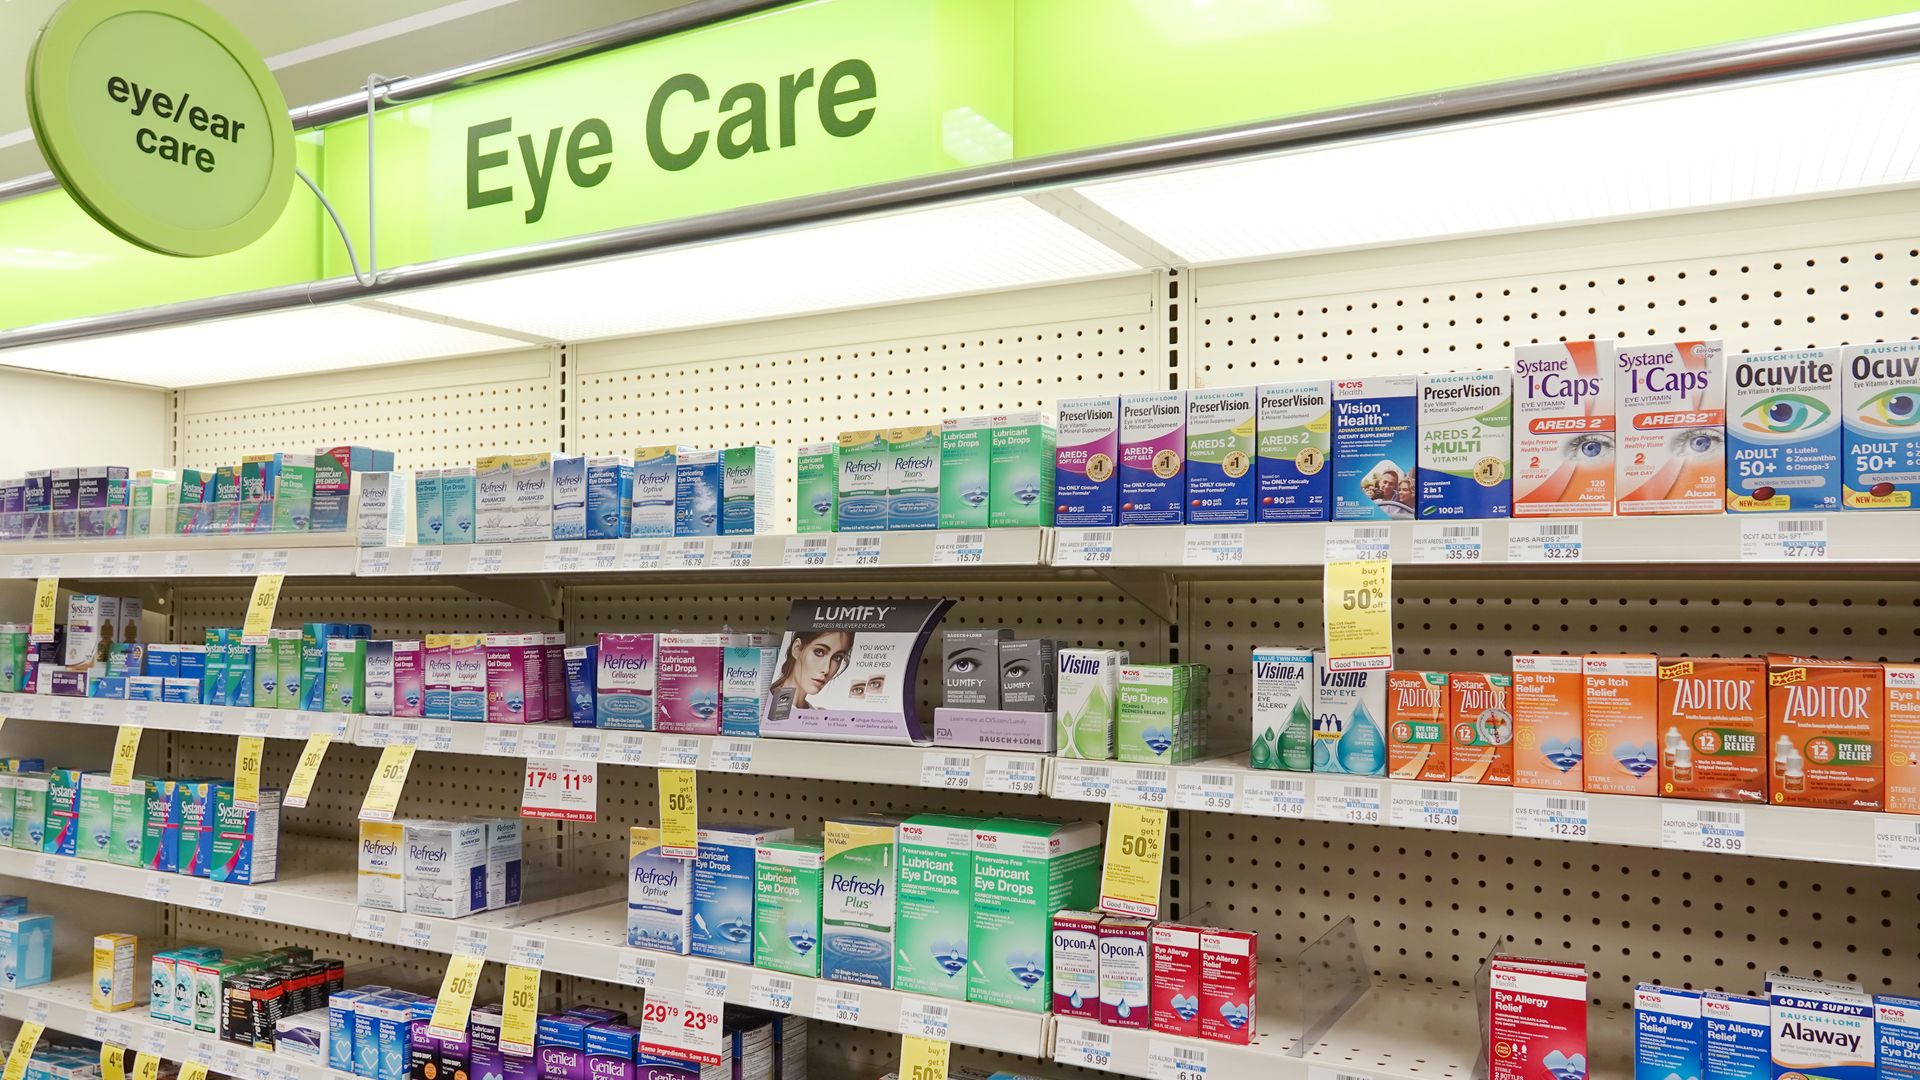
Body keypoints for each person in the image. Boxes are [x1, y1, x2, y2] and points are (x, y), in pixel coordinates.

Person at [769, 630, 854, 710]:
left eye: (837, 657)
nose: (826, 670)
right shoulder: (768, 705)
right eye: (819, 652)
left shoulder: (820, 714)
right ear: (797, 649)